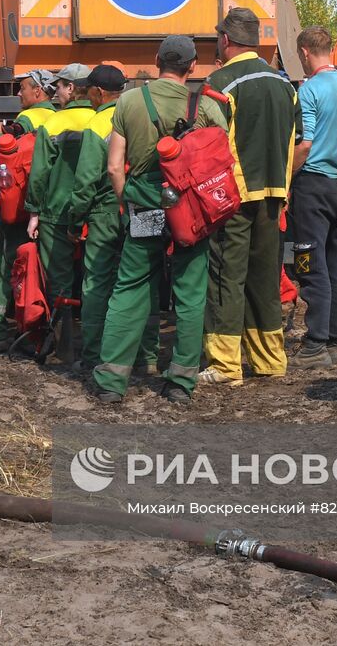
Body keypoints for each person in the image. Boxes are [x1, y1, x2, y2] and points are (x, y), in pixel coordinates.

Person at [92, 36, 227, 404]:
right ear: (193, 66)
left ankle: (111, 381)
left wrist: (127, 202)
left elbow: (114, 166)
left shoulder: (130, 101)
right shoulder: (206, 106)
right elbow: (221, 163)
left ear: (156, 62)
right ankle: (180, 383)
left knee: (131, 287)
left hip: (146, 204)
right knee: (190, 291)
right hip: (192, 210)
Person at [199, 8, 298, 386]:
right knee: (265, 277)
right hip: (274, 195)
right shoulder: (284, 84)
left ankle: (225, 364)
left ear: (226, 39)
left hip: (233, 198)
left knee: (227, 276)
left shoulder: (220, 83)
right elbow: (298, 141)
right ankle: (269, 358)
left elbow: (208, 144)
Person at [68, 65, 158, 371]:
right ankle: (147, 356)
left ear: (98, 92)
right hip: (143, 205)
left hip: (106, 211)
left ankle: (93, 355)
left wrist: (74, 218)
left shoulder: (97, 123)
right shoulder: (140, 112)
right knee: (144, 280)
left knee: (96, 283)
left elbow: (86, 179)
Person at [289, 26, 337, 370]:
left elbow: (305, 143)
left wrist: (287, 178)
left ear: (304, 52)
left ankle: (314, 343)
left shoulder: (311, 89)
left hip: (312, 186)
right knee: (336, 266)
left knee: (307, 262)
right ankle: (334, 341)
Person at [0, 67, 58, 351]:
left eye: (23, 88)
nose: (19, 94)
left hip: (18, 209)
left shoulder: (28, 118)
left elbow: (4, 148)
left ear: (38, 91)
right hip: (48, 210)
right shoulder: (58, 117)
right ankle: (36, 333)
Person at [25, 69, 98, 333]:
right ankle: (94, 345)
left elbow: (39, 173)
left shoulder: (54, 124)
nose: (55, 92)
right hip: (97, 212)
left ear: (70, 88)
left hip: (57, 212)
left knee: (59, 281)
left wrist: (33, 210)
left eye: (59, 87)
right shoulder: (100, 119)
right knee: (97, 279)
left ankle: (62, 345)